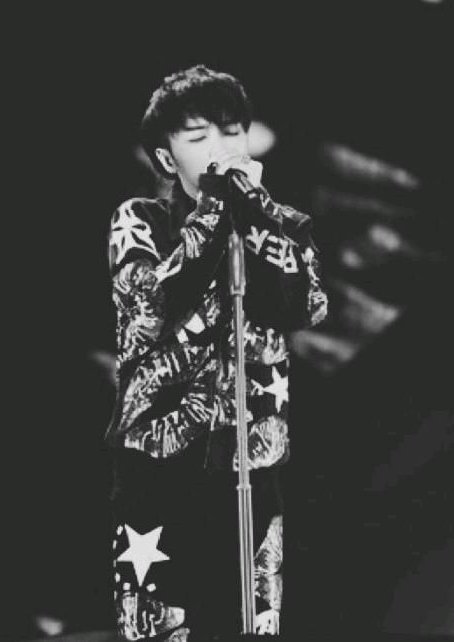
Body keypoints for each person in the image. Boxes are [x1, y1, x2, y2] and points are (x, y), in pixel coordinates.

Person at [105, 65, 328, 640]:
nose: (222, 149)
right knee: (161, 627)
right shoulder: (139, 220)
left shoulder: (280, 225)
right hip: (160, 470)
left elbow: (307, 305)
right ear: (165, 158)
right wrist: (211, 209)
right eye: (199, 137)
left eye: (232, 133)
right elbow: (150, 306)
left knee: (252, 626)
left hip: (253, 465)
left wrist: (257, 217)